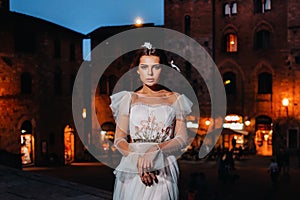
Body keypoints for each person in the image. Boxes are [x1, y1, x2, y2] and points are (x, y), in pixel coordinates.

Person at [110, 42, 193, 200]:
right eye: (144, 67)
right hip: (133, 167)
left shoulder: (176, 99)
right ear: (137, 70)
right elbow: (119, 140)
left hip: (164, 168)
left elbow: (182, 138)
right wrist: (139, 162)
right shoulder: (128, 99)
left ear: (163, 70)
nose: (150, 73)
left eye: (155, 67)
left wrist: (156, 150)